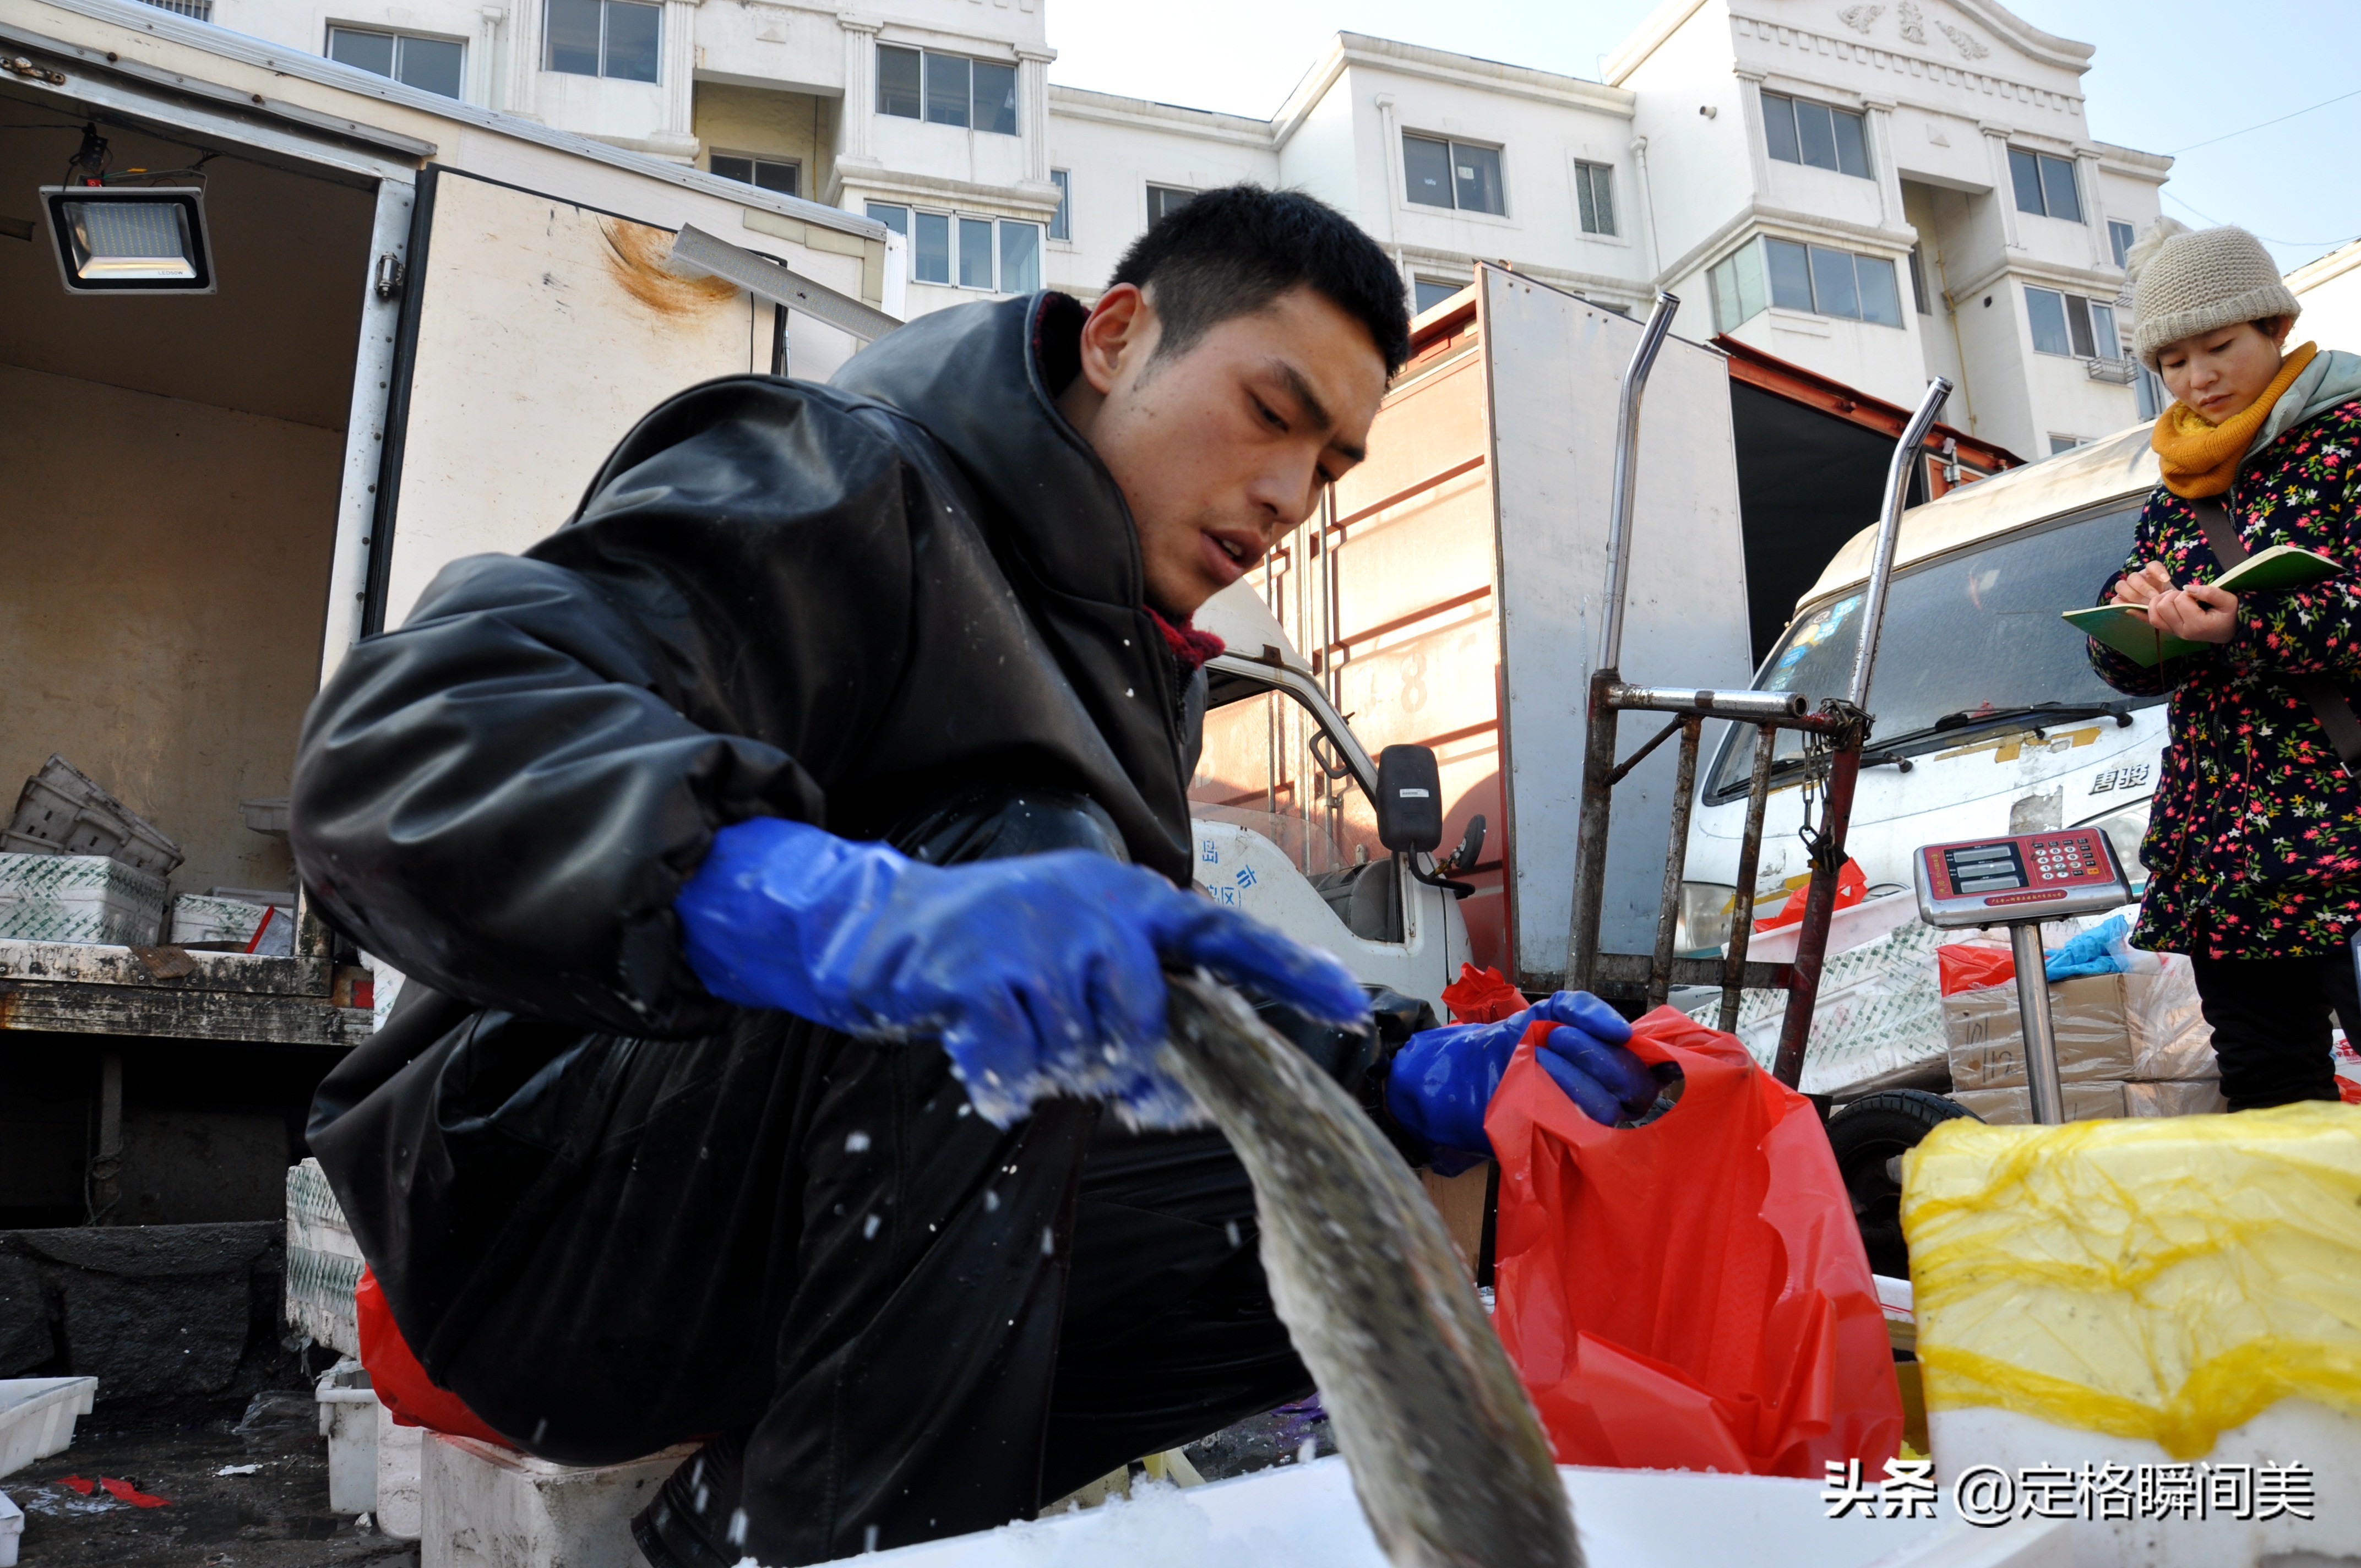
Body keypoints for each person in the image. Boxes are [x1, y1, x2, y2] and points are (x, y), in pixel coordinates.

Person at [291, 185, 1655, 1567]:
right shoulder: (842, 472)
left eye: (1328, 464)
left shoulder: (1125, 654)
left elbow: (1119, 993)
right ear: (1116, 335)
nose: (1287, 496)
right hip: (538, 1209)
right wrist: (828, 909)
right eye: (1268, 410)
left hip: (764, 1219)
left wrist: (1393, 1080)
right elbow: (408, 738)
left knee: (1343, 1214)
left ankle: (776, 1520)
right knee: (1027, 860)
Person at [2086, 219, 2361, 1110]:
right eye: (2172, 362)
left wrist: (2249, 625)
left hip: (2341, 827)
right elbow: (2133, 669)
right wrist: (2133, 621)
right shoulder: (2175, 485)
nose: (2197, 380)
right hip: (2229, 846)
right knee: (2270, 1089)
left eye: (2219, 348)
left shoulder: (2349, 438)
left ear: (2277, 330)